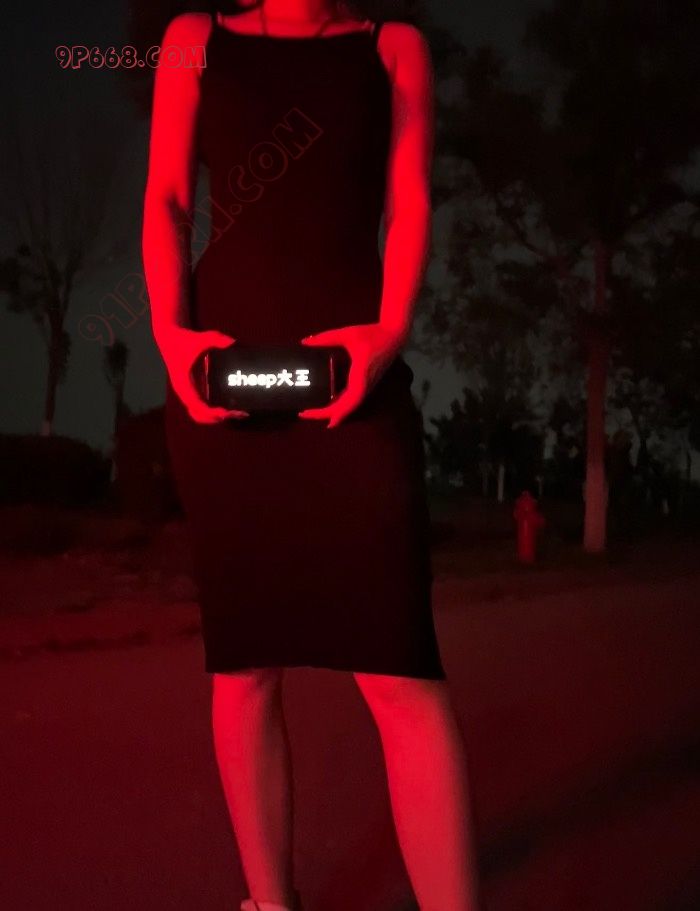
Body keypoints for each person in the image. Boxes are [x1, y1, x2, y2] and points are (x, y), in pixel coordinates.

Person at [142, 1, 481, 908]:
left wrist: (389, 334)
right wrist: (173, 343)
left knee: (401, 673)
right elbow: (168, 199)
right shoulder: (193, 42)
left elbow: (410, 204)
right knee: (244, 669)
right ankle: (270, 903)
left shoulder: (394, 49)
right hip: (221, 386)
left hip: (357, 383)